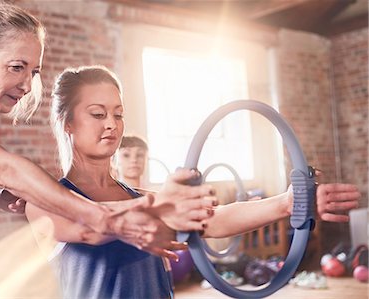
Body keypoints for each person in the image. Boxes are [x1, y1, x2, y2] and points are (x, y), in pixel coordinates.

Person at [25, 65, 361, 299]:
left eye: (118, 113)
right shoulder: (44, 202)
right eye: (98, 114)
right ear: (67, 123)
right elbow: (93, 225)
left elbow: (214, 220)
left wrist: (286, 204)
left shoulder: (144, 198)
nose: (112, 124)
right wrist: (163, 206)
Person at [0, 1, 216, 252]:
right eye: (16, 67)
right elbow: (4, 169)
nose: (26, 85)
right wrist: (103, 218)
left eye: (33, 72)